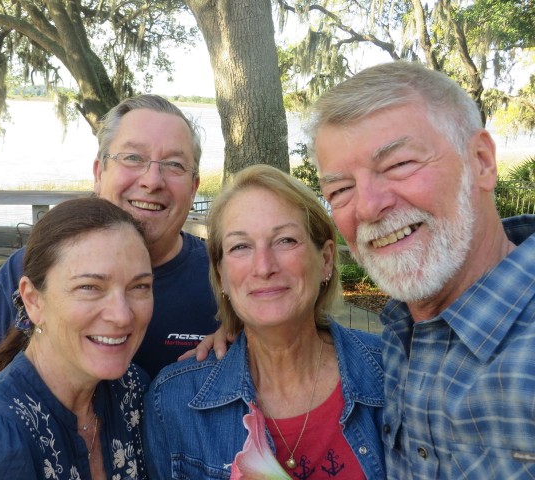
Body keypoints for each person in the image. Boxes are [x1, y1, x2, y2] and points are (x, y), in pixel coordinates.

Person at [310, 61, 535, 478]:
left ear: (482, 162)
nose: (368, 206)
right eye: (340, 190)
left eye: (398, 165)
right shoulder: (397, 340)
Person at [0, 94, 218, 419]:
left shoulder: (224, 280)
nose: (152, 181)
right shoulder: (31, 269)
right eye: (132, 157)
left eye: (174, 164)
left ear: (195, 186)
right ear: (99, 173)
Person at [143, 165, 385, 479]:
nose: (263, 266)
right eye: (240, 246)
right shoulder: (174, 401)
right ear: (221, 276)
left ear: (325, 259)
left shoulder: (393, 372)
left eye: (285, 240)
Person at [0, 197, 153, 479]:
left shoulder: (133, 392)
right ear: (33, 300)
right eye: (89, 287)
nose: (122, 316)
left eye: (139, 286)